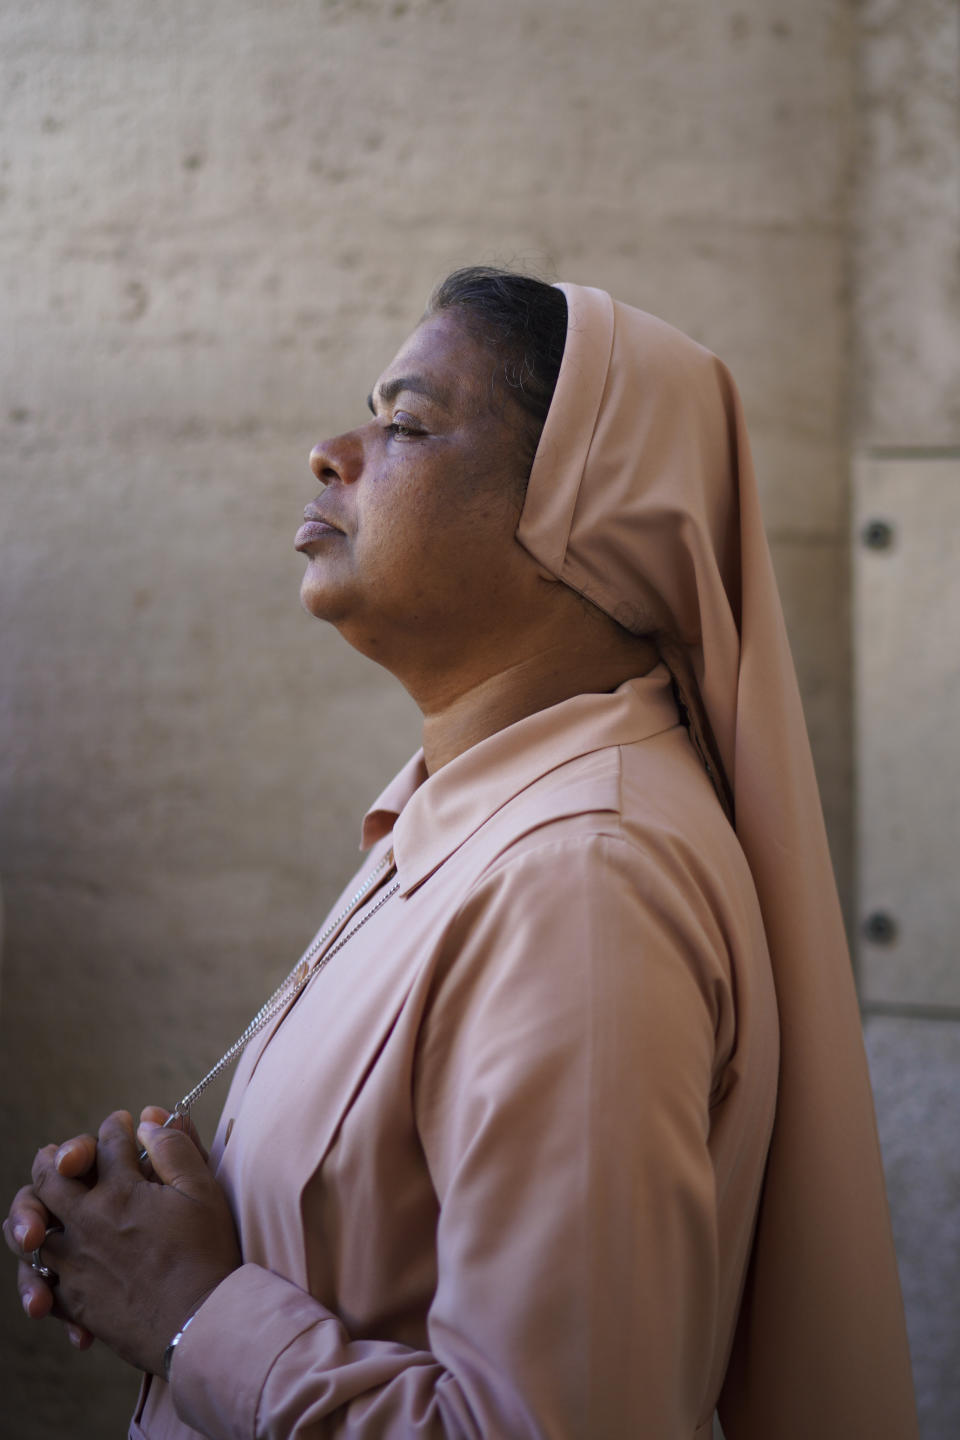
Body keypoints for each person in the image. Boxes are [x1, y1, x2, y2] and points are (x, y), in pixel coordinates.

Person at [5, 268, 917, 1439]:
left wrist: (189, 1313)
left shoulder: (585, 880)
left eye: (407, 423)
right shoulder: (472, 816)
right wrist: (153, 1232)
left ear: (583, 518)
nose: (333, 452)